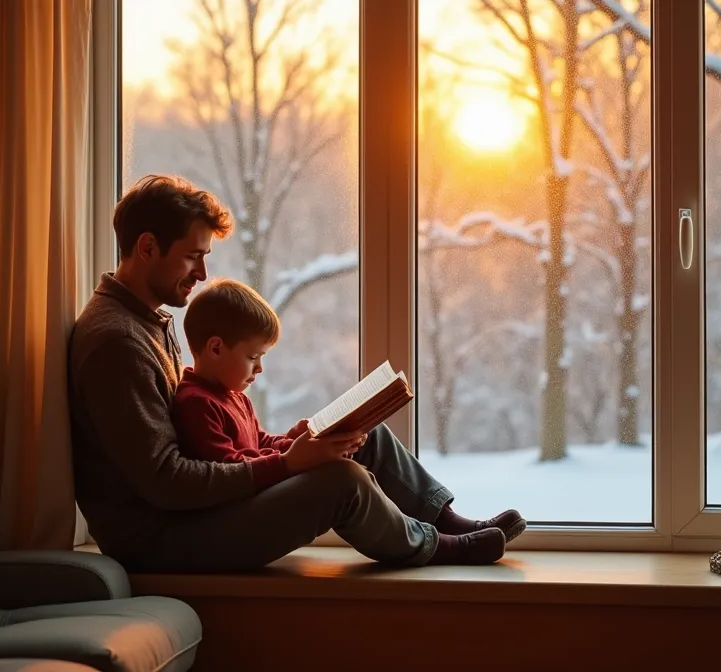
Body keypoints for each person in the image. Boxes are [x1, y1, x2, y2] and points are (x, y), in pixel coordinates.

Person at [68, 174, 526, 572]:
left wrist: (305, 442)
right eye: (192, 256)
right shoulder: (118, 342)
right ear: (147, 247)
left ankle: (445, 520)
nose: (203, 272)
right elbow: (167, 481)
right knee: (341, 482)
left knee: (364, 435)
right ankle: (435, 547)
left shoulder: (149, 321)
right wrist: (289, 463)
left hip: (194, 514)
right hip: (164, 539)